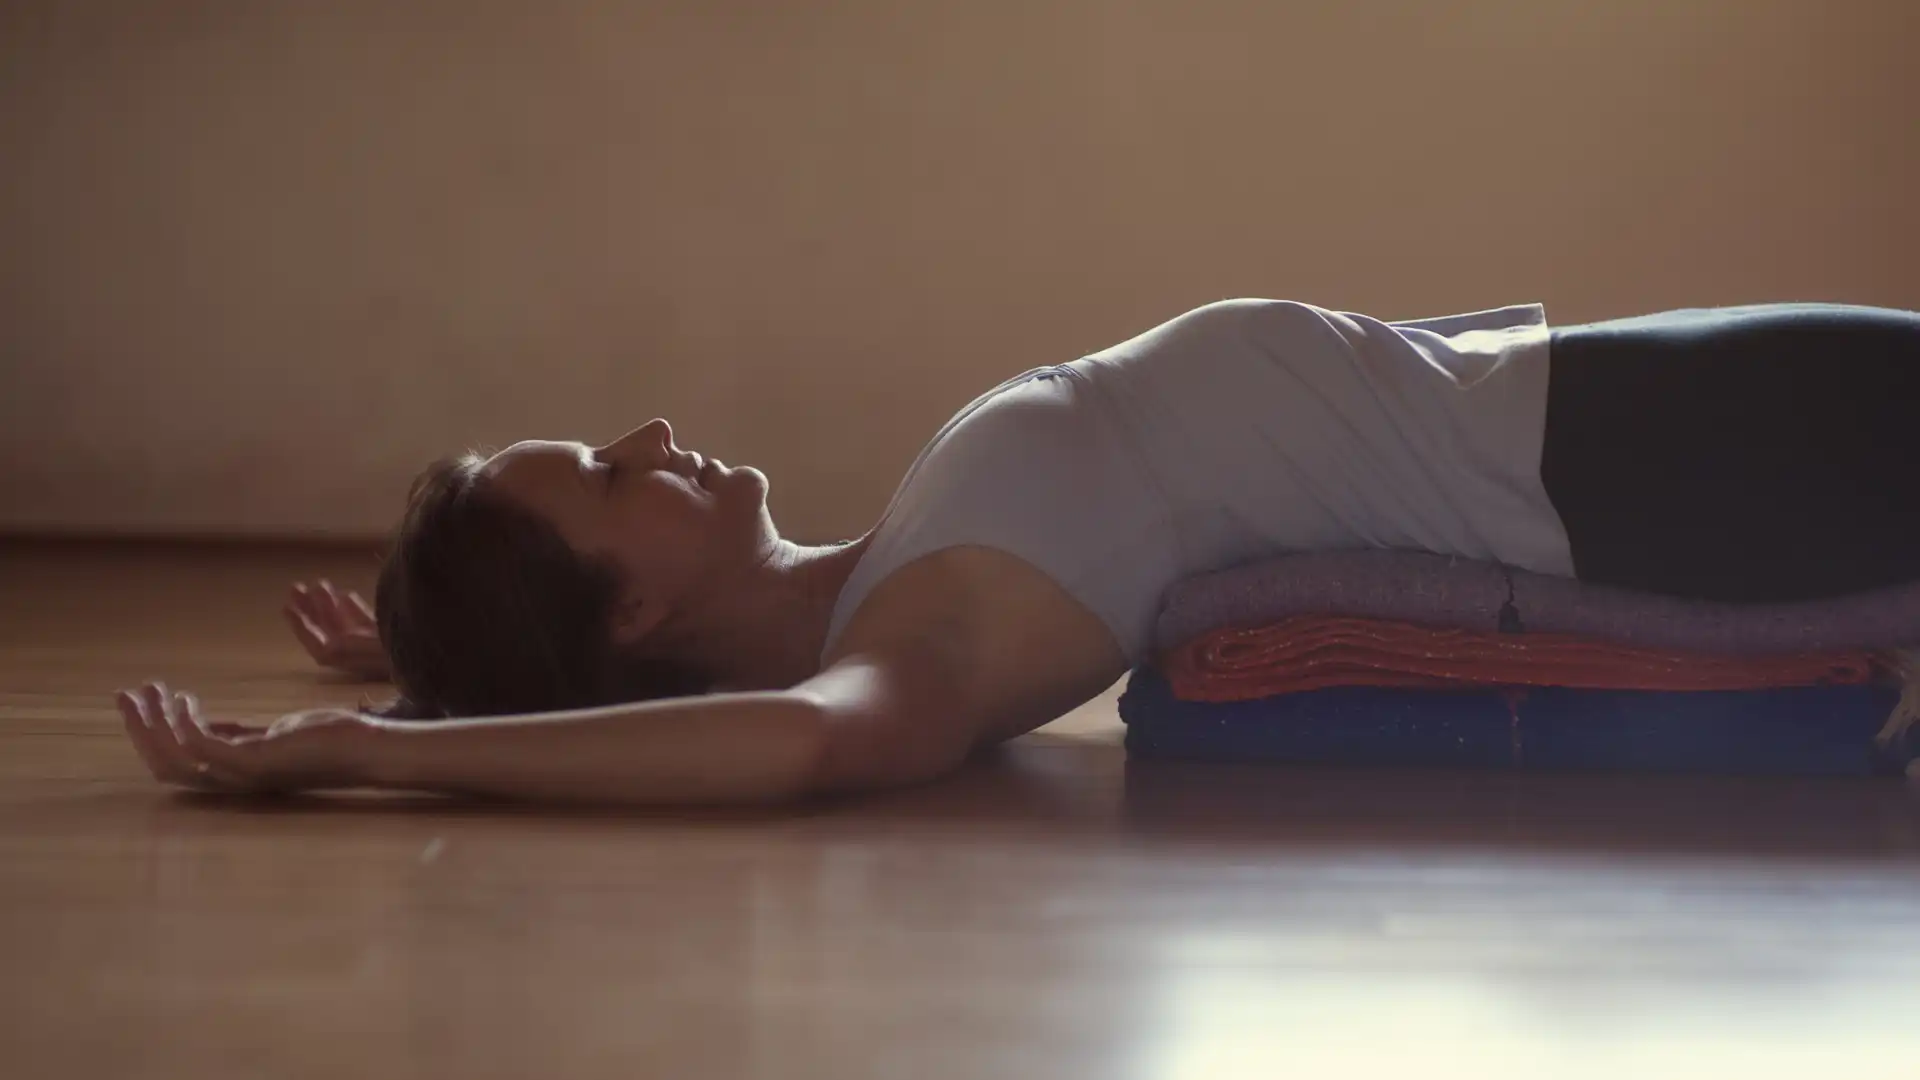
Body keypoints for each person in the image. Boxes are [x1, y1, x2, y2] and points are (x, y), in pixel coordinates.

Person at [116, 299, 1920, 804]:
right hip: (1626, 465)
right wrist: (399, 746)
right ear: (641, 603)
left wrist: (439, 668)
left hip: (1590, 405)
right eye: (608, 468)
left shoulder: (890, 562)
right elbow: (816, 742)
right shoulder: (924, 638)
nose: (654, 434)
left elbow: (649, 663)